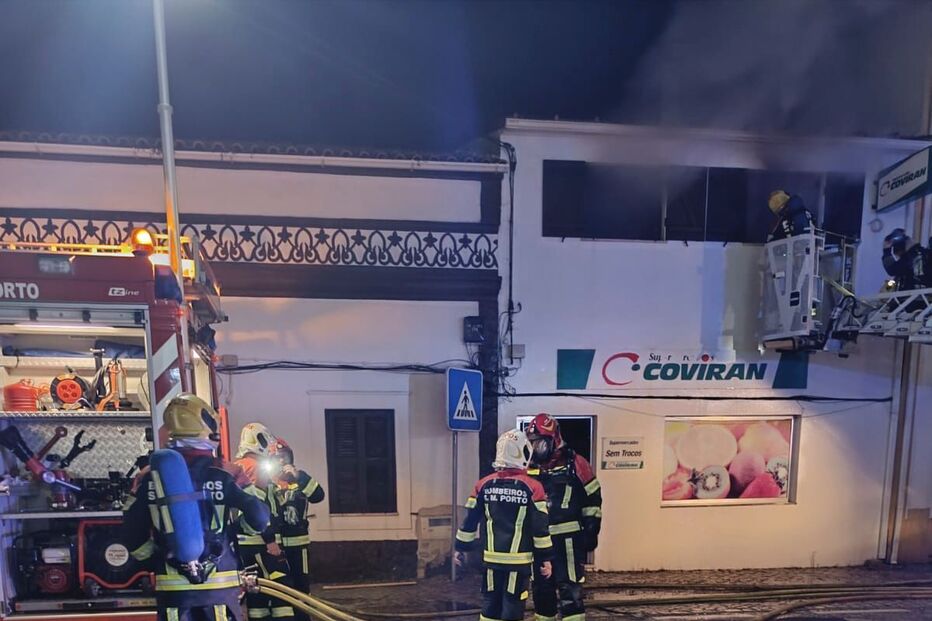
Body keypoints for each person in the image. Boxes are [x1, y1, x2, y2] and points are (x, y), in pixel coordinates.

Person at [122, 393, 270, 621]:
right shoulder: (228, 473)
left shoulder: (148, 477)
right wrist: (242, 529)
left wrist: (156, 559)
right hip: (219, 589)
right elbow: (259, 517)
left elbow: (130, 529)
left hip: (174, 595)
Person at [455, 429, 554, 621]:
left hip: (491, 561)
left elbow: (469, 522)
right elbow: (540, 529)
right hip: (518, 562)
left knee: (490, 604)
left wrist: (460, 548)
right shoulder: (533, 488)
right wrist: (546, 559)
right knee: (513, 605)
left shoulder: (482, 485)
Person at [525, 414, 602, 621]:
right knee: (541, 591)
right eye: (532, 443)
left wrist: (592, 527)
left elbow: (593, 496)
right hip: (540, 543)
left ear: (553, 439)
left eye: (539, 442)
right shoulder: (529, 467)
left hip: (568, 541)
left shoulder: (576, 463)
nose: (536, 448)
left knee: (570, 589)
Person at [235, 423, 295, 621]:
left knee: (256, 591)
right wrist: (270, 540)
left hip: (243, 542)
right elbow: (259, 506)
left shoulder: (239, 466)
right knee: (281, 585)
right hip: (259, 543)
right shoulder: (255, 467)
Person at [274, 439, 325, 621]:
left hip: (299, 547)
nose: (280, 461)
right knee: (280, 587)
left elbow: (319, 496)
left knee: (301, 587)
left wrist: (300, 477)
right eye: (276, 457)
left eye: (284, 457)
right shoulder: (268, 482)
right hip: (276, 548)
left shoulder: (300, 479)